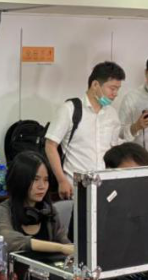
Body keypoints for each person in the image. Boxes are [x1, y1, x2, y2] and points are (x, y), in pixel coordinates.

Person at [44, 61, 133, 202]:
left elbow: (114, 149)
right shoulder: (69, 109)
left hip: (106, 188)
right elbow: (50, 145)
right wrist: (61, 180)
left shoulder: (112, 114)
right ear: (95, 85)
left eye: (118, 89)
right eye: (112, 88)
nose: (115, 94)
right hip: (75, 188)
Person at [0, 151, 73, 256]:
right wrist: (60, 248)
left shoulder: (48, 211)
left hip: (45, 266)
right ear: (19, 180)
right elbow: (8, 240)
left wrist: (68, 248)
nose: (42, 186)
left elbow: (65, 242)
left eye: (46, 180)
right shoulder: (1, 211)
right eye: (35, 179)